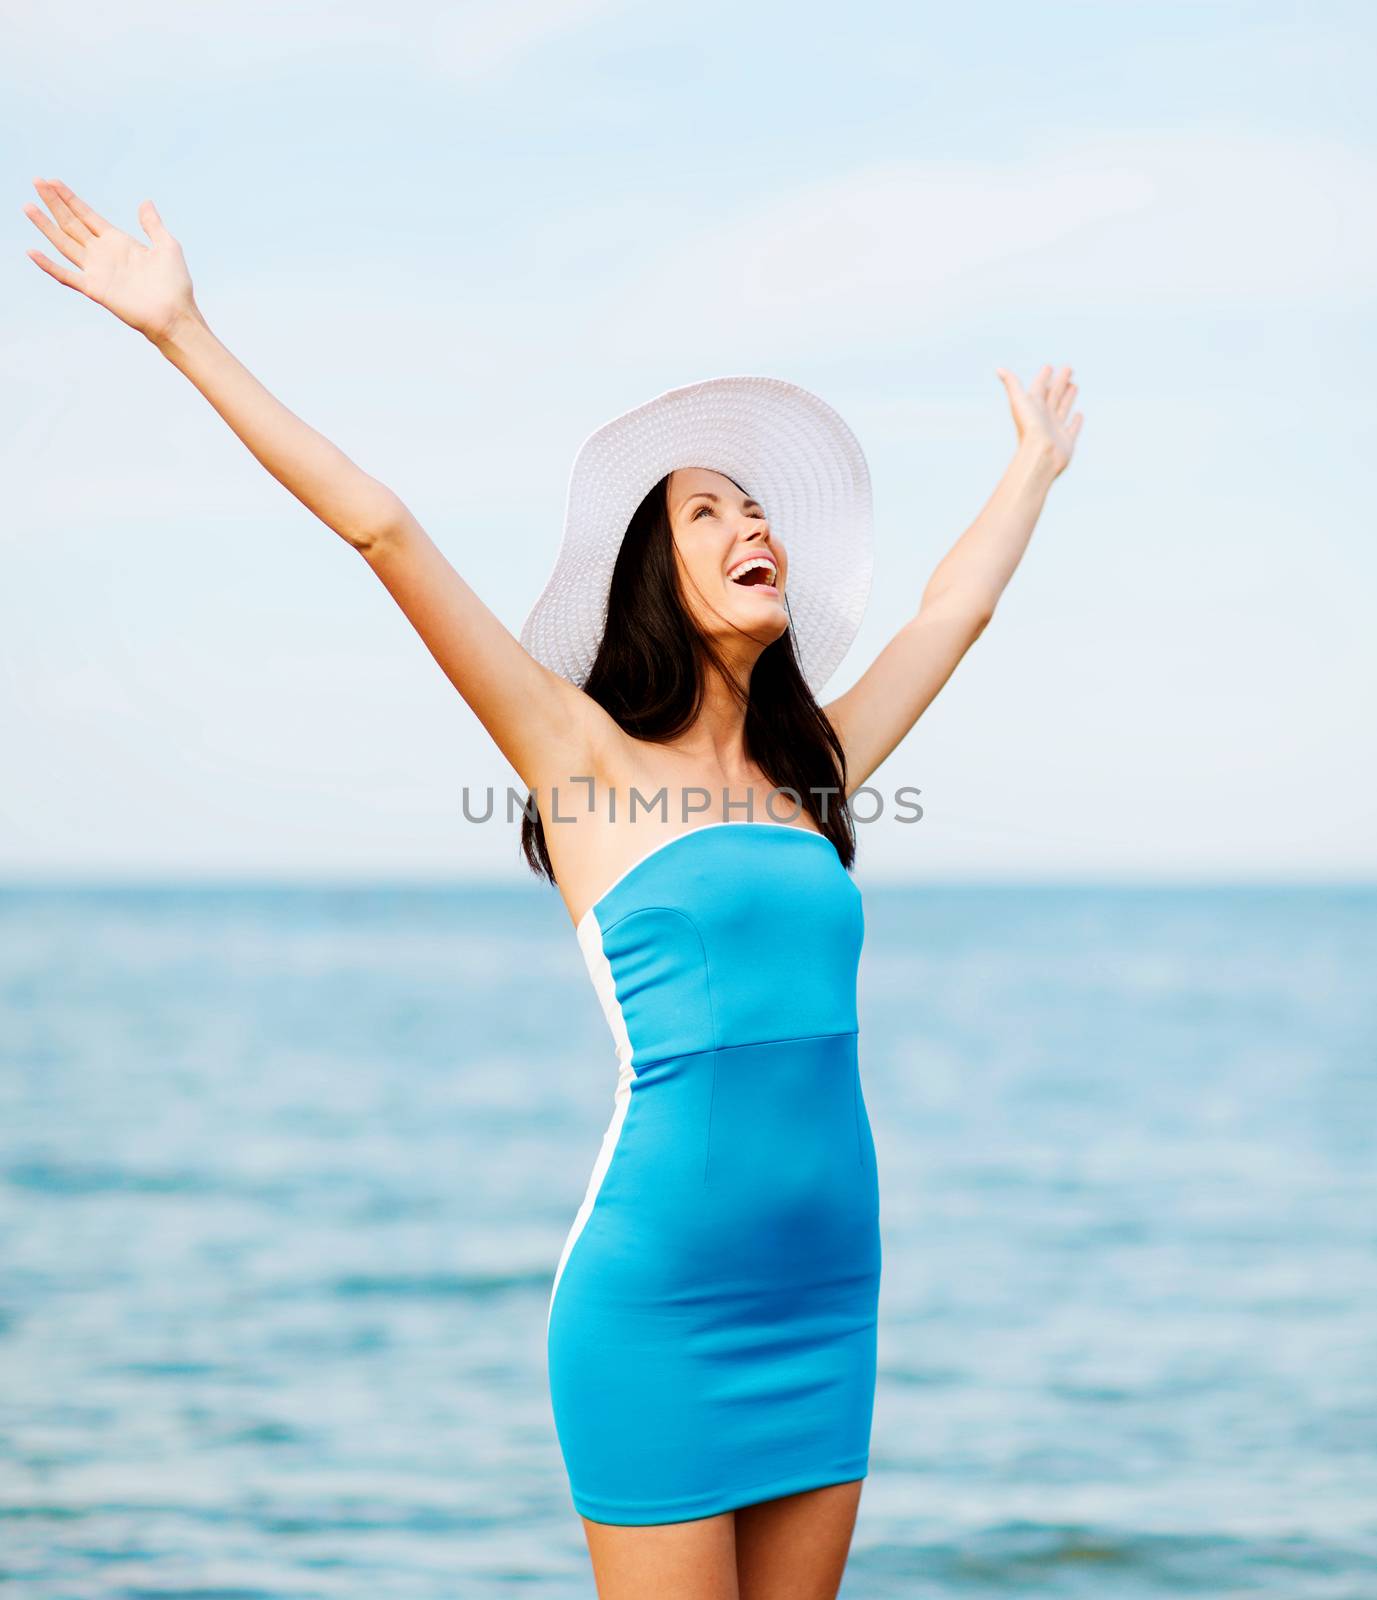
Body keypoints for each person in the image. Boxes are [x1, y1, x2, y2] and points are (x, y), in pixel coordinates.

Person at [23, 177, 1083, 1600]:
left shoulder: (814, 769)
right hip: (660, 1301)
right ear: (655, 571)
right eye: (707, 511)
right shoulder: (575, 758)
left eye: (757, 507)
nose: (747, 523)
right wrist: (181, 331)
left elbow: (951, 612)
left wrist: (1030, 466)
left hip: (828, 1294)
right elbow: (385, 530)